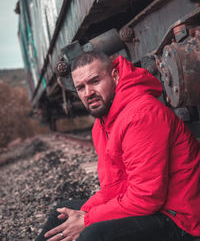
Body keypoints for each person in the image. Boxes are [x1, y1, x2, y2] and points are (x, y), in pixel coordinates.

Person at [36, 51, 200, 241]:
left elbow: (146, 198)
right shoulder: (102, 124)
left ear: (115, 76)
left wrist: (87, 220)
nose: (88, 93)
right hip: (153, 206)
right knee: (61, 215)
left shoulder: (141, 115)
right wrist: (82, 214)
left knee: (93, 235)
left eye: (95, 81)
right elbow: (113, 186)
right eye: (80, 87)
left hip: (180, 217)